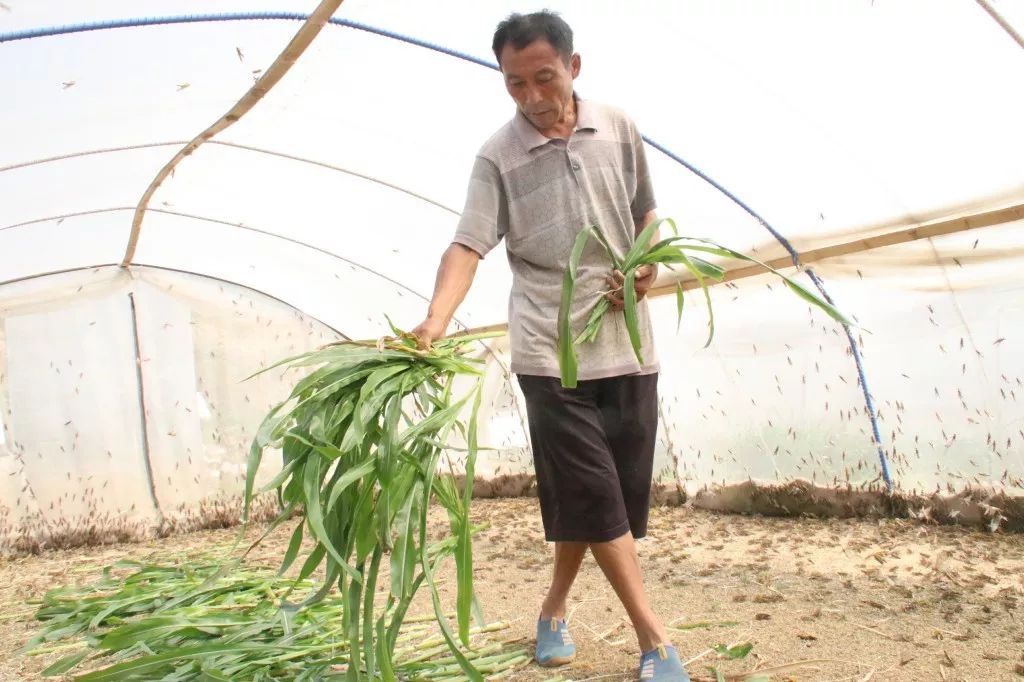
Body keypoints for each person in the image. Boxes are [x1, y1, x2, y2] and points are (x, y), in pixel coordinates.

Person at [411, 10, 690, 682]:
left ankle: (552, 611)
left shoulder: (618, 126)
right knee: (593, 498)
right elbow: (468, 243)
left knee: (603, 505)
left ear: (573, 67)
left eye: (543, 78)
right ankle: (654, 643)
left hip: (627, 348)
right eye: (514, 85)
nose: (532, 98)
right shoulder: (497, 156)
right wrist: (433, 322)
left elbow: (646, 212)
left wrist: (647, 263)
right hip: (548, 352)